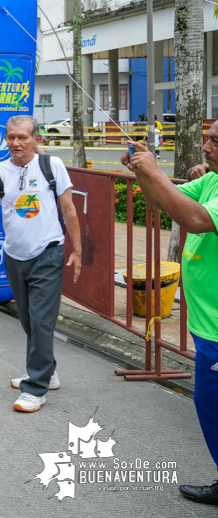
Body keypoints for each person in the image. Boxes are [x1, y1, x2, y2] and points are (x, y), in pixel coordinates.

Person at [122, 124, 218, 505]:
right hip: (207, 324)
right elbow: (168, 202)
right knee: (209, 406)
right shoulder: (212, 180)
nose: (205, 146)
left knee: (211, 407)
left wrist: (156, 172)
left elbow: (194, 219)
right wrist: (145, 173)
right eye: (207, 138)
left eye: (215, 141)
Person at [0, 115, 82, 412]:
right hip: (14, 255)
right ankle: (48, 371)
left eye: (22, 137)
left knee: (42, 321)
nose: (15, 143)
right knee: (28, 320)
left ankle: (35, 388)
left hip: (47, 252)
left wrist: (78, 250)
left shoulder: (51, 166)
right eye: (10, 137)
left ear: (37, 139)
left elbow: (69, 208)